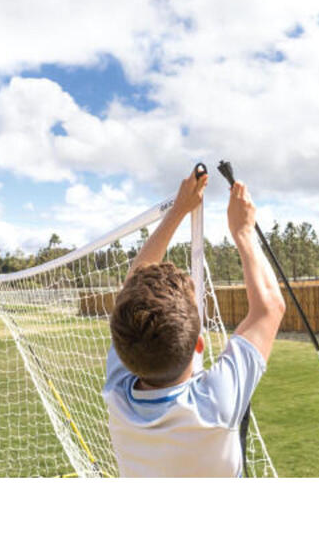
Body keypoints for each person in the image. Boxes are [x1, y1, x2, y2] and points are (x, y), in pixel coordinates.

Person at [102, 166, 285, 477]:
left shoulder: (117, 395)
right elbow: (270, 307)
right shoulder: (214, 406)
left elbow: (133, 286)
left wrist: (178, 210)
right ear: (199, 344)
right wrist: (243, 231)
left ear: (123, 351)